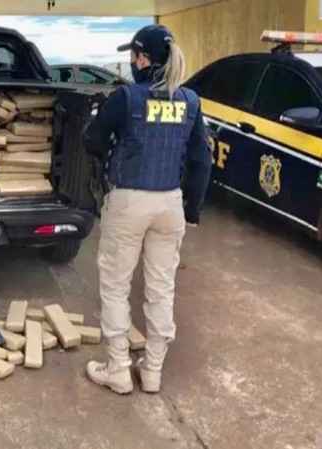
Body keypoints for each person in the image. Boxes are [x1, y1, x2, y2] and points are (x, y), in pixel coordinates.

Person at [84, 24, 212, 395]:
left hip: (128, 201)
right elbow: (201, 160)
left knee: (115, 286)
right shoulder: (190, 101)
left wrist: (108, 152)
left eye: (133, 55)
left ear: (142, 58)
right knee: (161, 289)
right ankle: (152, 371)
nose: (131, 61)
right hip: (169, 203)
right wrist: (192, 209)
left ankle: (118, 370)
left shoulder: (125, 97)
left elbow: (92, 139)